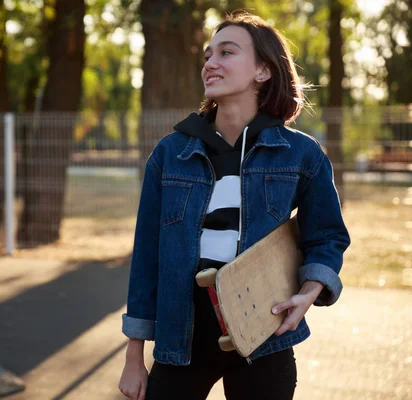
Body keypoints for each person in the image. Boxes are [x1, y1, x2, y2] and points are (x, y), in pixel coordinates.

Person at [118, 12, 350, 400]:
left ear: (262, 70)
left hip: (265, 333)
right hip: (182, 336)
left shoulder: (301, 154)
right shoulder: (170, 153)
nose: (211, 63)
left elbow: (327, 236)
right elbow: (147, 258)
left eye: (227, 52)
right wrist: (133, 355)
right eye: (208, 55)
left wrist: (309, 292)